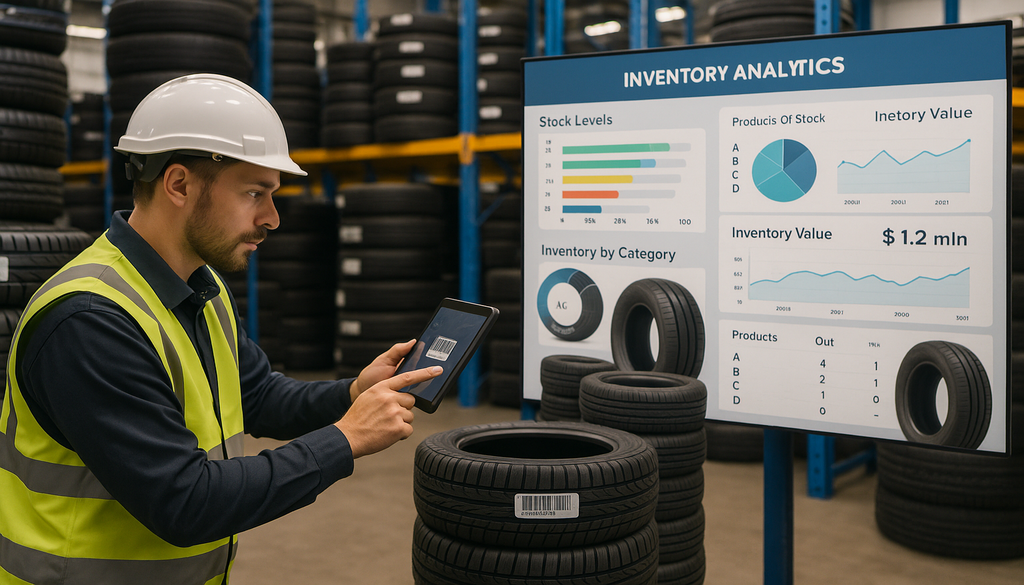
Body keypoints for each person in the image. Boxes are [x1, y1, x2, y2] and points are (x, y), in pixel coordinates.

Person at [0, 73, 441, 584]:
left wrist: (352, 392)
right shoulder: (90, 320)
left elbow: (256, 396)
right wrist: (345, 439)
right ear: (179, 184)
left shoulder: (198, 285)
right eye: (255, 193)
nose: (273, 218)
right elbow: (185, 501)